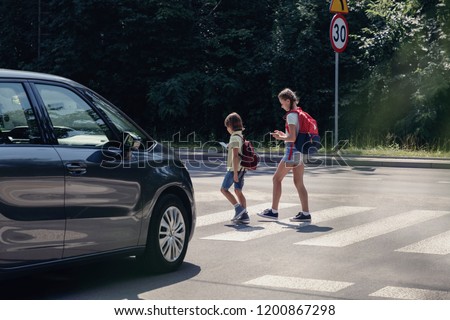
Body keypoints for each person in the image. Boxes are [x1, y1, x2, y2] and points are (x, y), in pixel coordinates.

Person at [257, 88, 311, 223]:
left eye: (282, 103)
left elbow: (292, 138)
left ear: (288, 100)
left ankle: (273, 211)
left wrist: (279, 138)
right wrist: (283, 135)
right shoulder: (299, 113)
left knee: (276, 179)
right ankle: (305, 213)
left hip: (292, 153)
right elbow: (295, 136)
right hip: (300, 152)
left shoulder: (291, 115)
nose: (281, 106)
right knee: (299, 183)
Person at [220, 112, 250, 224]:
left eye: (227, 126)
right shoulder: (240, 135)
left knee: (223, 189)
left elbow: (236, 156)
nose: (227, 129)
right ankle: (244, 216)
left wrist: (235, 174)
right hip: (243, 168)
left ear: (231, 126)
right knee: (238, 191)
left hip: (234, 169)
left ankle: (239, 209)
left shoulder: (233, 138)